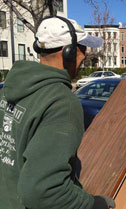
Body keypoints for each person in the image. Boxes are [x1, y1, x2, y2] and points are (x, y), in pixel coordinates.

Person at [0, 16, 115, 209]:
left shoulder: (7, 90)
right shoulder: (61, 102)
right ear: (68, 52)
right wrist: (93, 205)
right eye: (83, 48)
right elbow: (43, 191)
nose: (85, 55)